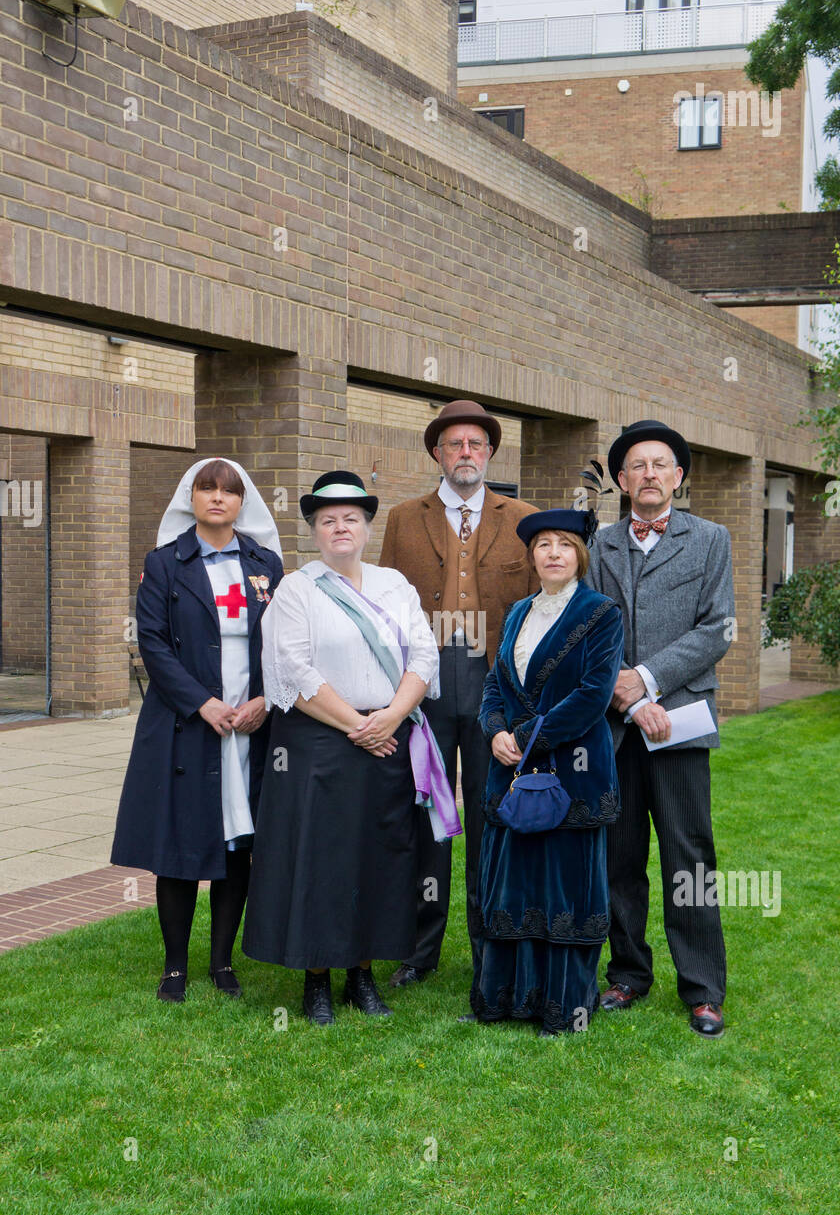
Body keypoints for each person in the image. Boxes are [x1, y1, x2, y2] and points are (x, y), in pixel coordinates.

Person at [241, 471, 457, 1026]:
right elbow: (293, 668)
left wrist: (390, 716)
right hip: (318, 743)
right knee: (321, 860)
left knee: (378, 859)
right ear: (315, 529)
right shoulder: (297, 588)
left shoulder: (395, 586)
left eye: (351, 519)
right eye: (329, 520)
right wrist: (356, 726)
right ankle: (317, 979)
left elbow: (424, 659)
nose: (341, 527)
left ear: (366, 526)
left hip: (389, 738)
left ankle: (362, 975)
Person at [112, 458, 284, 1002]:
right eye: (205, 489)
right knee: (182, 845)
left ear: (241, 502)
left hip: (249, 726)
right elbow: (154, 645)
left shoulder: (267, 565)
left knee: (238, 847)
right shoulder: (164, 563)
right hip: (188, 726)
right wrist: (202, 704)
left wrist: (263, 699)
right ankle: (175, 967)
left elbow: (283, 644)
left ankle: (222, 964)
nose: (216, 498)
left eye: (227, 491)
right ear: (191, 498)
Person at [378, 400, 537, 989]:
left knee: (493, 811)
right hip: (426, 684)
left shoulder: (522, 516)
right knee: (427, 815)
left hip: (495, 685)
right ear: (437, 455)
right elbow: (388, 606)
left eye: (475, 444)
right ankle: (420, 950)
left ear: (489, 452)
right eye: (453, 445)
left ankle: (489, 940)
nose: (465, 453)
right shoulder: (402, 518)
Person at [587, 420, 735, 1037]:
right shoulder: (599, 545)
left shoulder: (711, 540)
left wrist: (645, 681)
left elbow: (715, 630)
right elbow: (590, 626)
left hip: (680, 724)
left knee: (688, 857)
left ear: (678, 477)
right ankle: (627, 973)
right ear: (622, 481)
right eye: (637, 466)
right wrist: (623, 697)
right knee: (619, 857)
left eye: (661, 464)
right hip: (616, 730)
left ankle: (702, 988)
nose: (649, 474)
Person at [472, 509, 624, 1036]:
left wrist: (528, 736)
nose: (553, 552)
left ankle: (563, 1006)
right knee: (515, 882)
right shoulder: (516, 612)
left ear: (580, 553)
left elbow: (593, 696)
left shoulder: (601, 613)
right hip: (511, 768)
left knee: (565, 888)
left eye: (564, 543)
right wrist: (494, 731)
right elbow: (495, 682)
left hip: (572, 772)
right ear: (532, 555)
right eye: (543, 544)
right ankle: (510, 998)